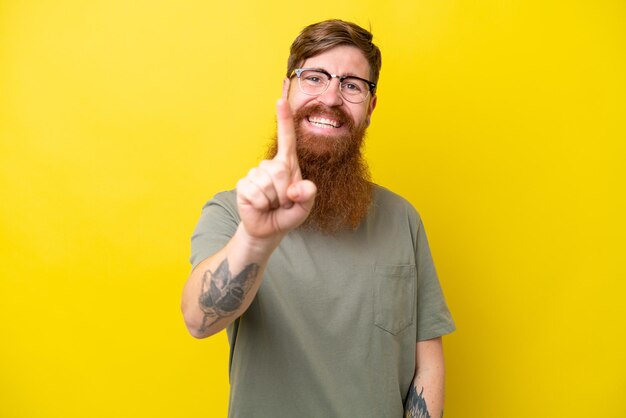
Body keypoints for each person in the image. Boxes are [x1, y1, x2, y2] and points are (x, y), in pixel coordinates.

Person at [181, 19, 455, 418]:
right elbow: (198, 319)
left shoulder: (402, 219)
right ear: (286, 90)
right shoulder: (231, 212)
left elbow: (426, 361)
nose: (330, 97)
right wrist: (257, 239)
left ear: (371, 107)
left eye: (352, 85)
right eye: (314, 77)